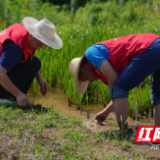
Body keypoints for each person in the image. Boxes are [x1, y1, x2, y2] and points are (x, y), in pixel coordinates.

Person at [68, 33, 160, 138]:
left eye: (85, 79)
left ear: (83, 70)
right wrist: (105, 112)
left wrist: (114, 93)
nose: (91, 82)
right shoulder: (103, 66)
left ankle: (124, 133)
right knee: (158, 98)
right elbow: (117, 93)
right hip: (155, 44)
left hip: (149, 48)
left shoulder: (91, 52)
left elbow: (114, 80)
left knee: (118, 89)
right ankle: (156, 139)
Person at [0, 17, 63, 107]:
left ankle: (11, 97)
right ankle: (8, 97)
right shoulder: (15, 48)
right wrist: (18, 94)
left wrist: (39, 77)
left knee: (35, 63)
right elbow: (1, 73)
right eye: (39, 45)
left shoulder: (23, 32)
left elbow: (27, 57)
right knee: (33, 62)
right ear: (31, 35)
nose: (39, 48)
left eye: (43, 46)